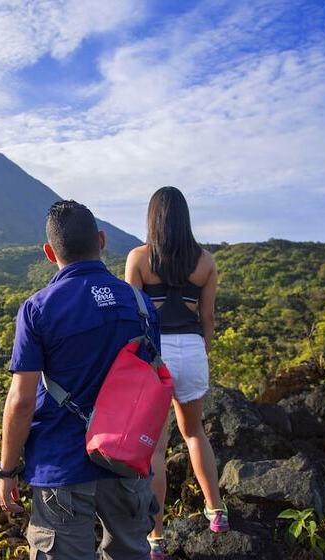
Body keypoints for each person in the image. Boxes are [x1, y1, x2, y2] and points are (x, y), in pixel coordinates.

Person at [0, 200, 162, 560]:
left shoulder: (38, 308)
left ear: (48, 252)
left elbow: (21, 401)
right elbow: (153, 386)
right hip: (127, 462)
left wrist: (7, 469)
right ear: (102, 240)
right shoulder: (140, 304)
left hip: (62, 463)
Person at [124, 186, 229, 559]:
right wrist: (202, 351)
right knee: (195, 432)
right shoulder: (205, 262)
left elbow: (132, 318)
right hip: (191, 350)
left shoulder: (138, 258)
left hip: (155, 355)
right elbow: (208, 318)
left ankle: (156, 538)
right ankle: (216, 512)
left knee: (154, 447)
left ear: (153, 218)